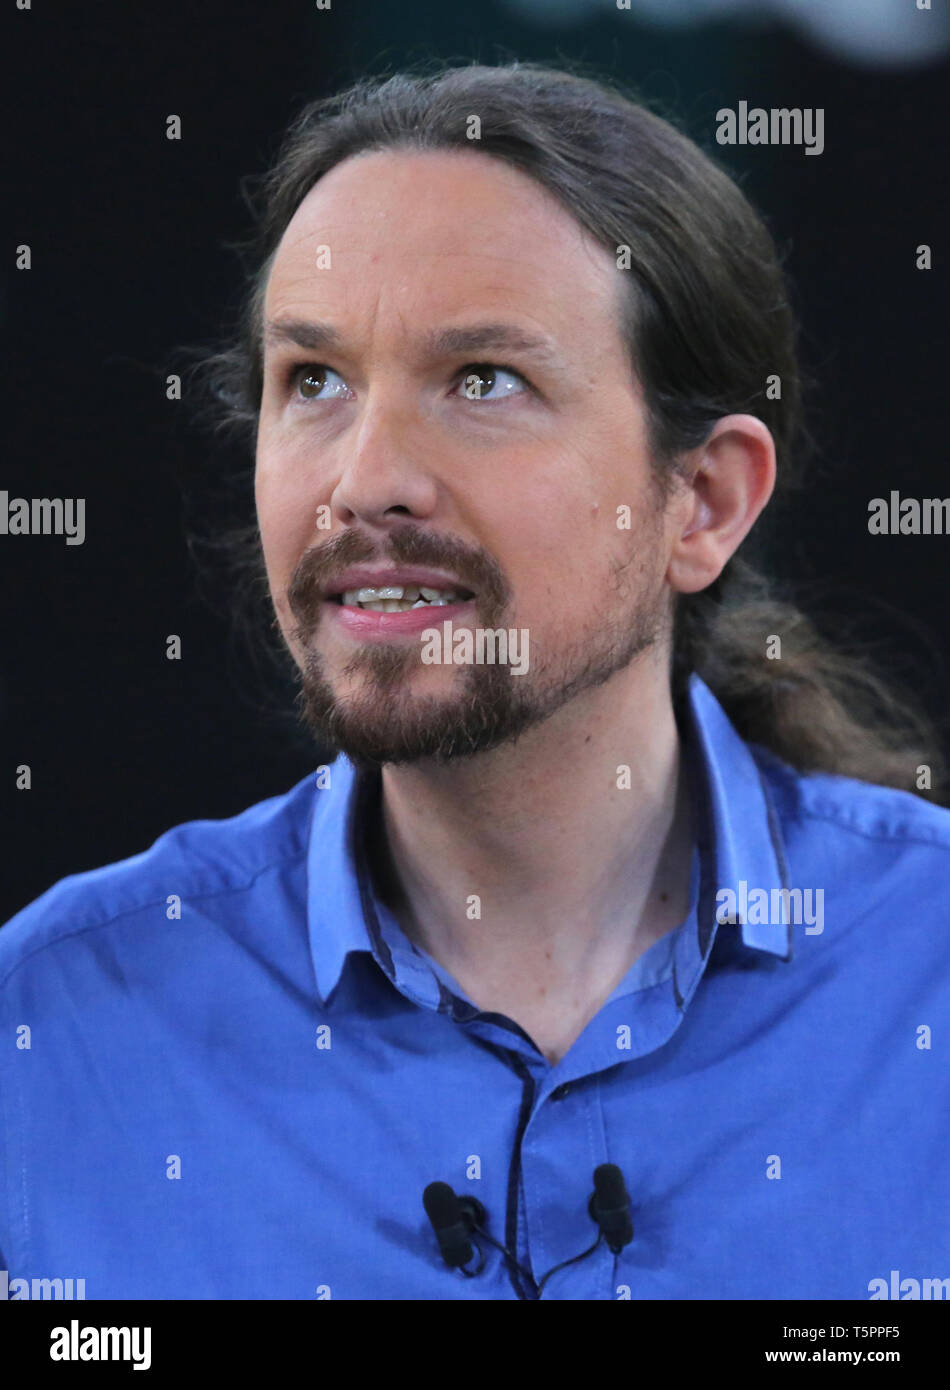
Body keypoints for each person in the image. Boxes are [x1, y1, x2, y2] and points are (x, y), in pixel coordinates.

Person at [2, 61, 948, 1302]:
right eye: (314, 382)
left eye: (483, 381)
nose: (365, 478)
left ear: (701, 502)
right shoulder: (55, 1019)